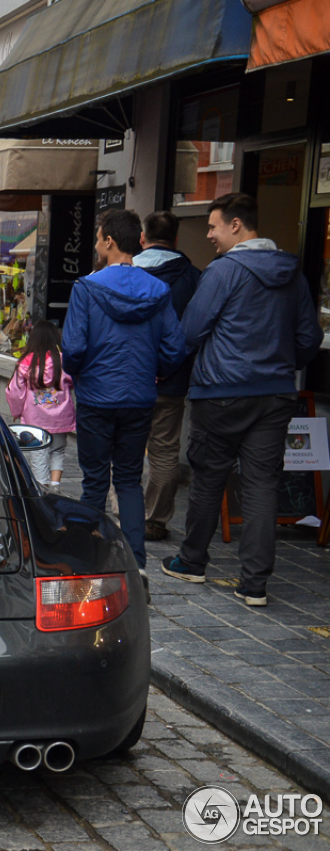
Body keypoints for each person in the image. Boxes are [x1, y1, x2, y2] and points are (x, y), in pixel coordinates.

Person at [162, 193, 324, 605]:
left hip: (221, 392)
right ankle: (254, 585)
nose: (210, 235)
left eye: (214, 226)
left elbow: (191, 331)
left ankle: (193, 561)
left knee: (208, 479)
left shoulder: (223, 271)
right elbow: (310, 338)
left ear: (237, 225)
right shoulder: (293, 273)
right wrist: (282, 361)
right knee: (261, 486)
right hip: (275, 394)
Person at [61, 208, 186, 574]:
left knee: (95, 482)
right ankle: (137, 566)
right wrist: (155, 373)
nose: (97, 243)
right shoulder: (159, 291)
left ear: (109, 241)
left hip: (97, 397)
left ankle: (88, 560)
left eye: (99, 238)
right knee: (130, 480)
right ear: (140, 242)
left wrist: (78, 375)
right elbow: (175, 349)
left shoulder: (86, 288)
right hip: (140, 397)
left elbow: (74, 348)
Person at [134, 211, 202, 543]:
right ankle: (154, 519)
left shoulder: (127, 272)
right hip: (173, 379)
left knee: (127, 445)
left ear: (143, 238)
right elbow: (195, 331)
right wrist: (169, 366)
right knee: (164, 449)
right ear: (176, 240)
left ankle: (127, 513)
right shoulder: (193, 276)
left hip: (130, 376)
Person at [6, 320, 75, 487]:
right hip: (61, 418)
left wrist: (17, 411)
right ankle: (55, 486)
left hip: (35, 419)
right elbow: (73, 382)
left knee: (38, 454)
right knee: (58, 451)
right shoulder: (63, 360)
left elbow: (15, 391)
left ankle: (42, 489)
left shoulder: (25, 362)